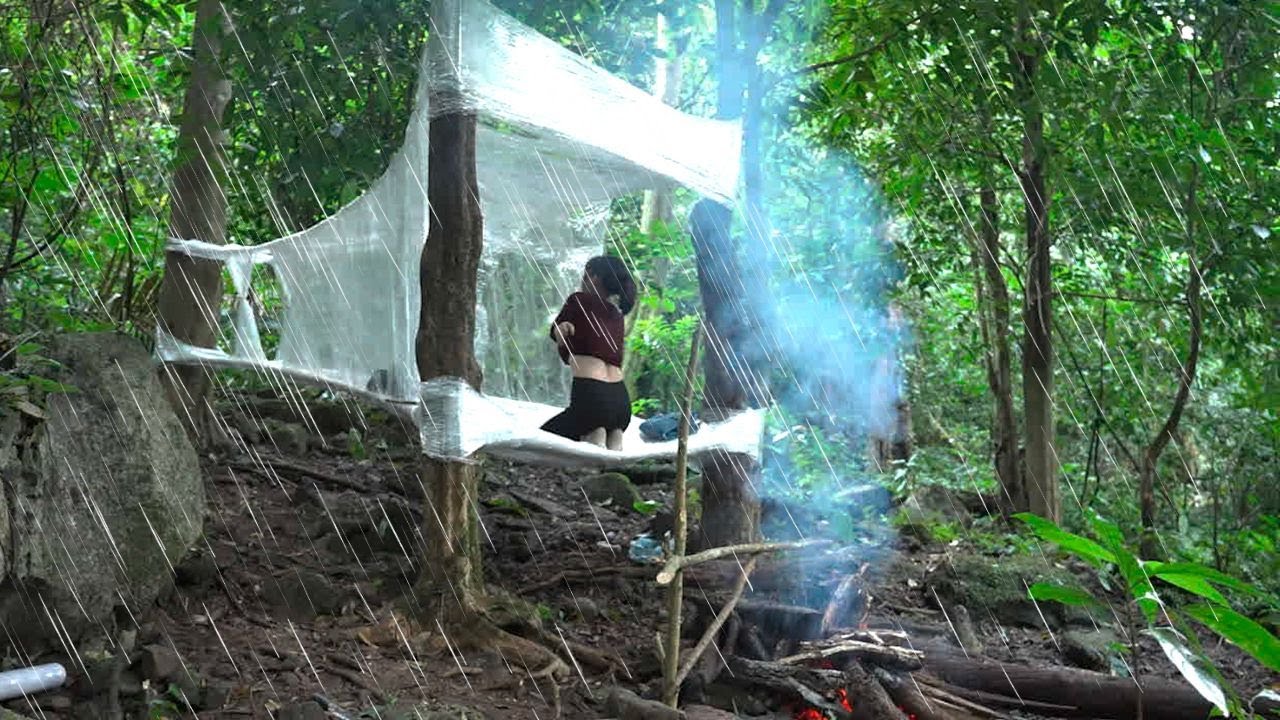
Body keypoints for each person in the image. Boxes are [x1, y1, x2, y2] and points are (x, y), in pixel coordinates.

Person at [541, 255, 636, 450]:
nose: (582, 281)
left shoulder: (578, 300)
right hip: (621, 403)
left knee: (540, 441)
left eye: (585, 276)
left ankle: (596, 439)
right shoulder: (617, 315)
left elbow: (558, 336)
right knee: (612, 449)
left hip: (592, 396)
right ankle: (615, 473)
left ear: (593, 278)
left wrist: (560, 330)